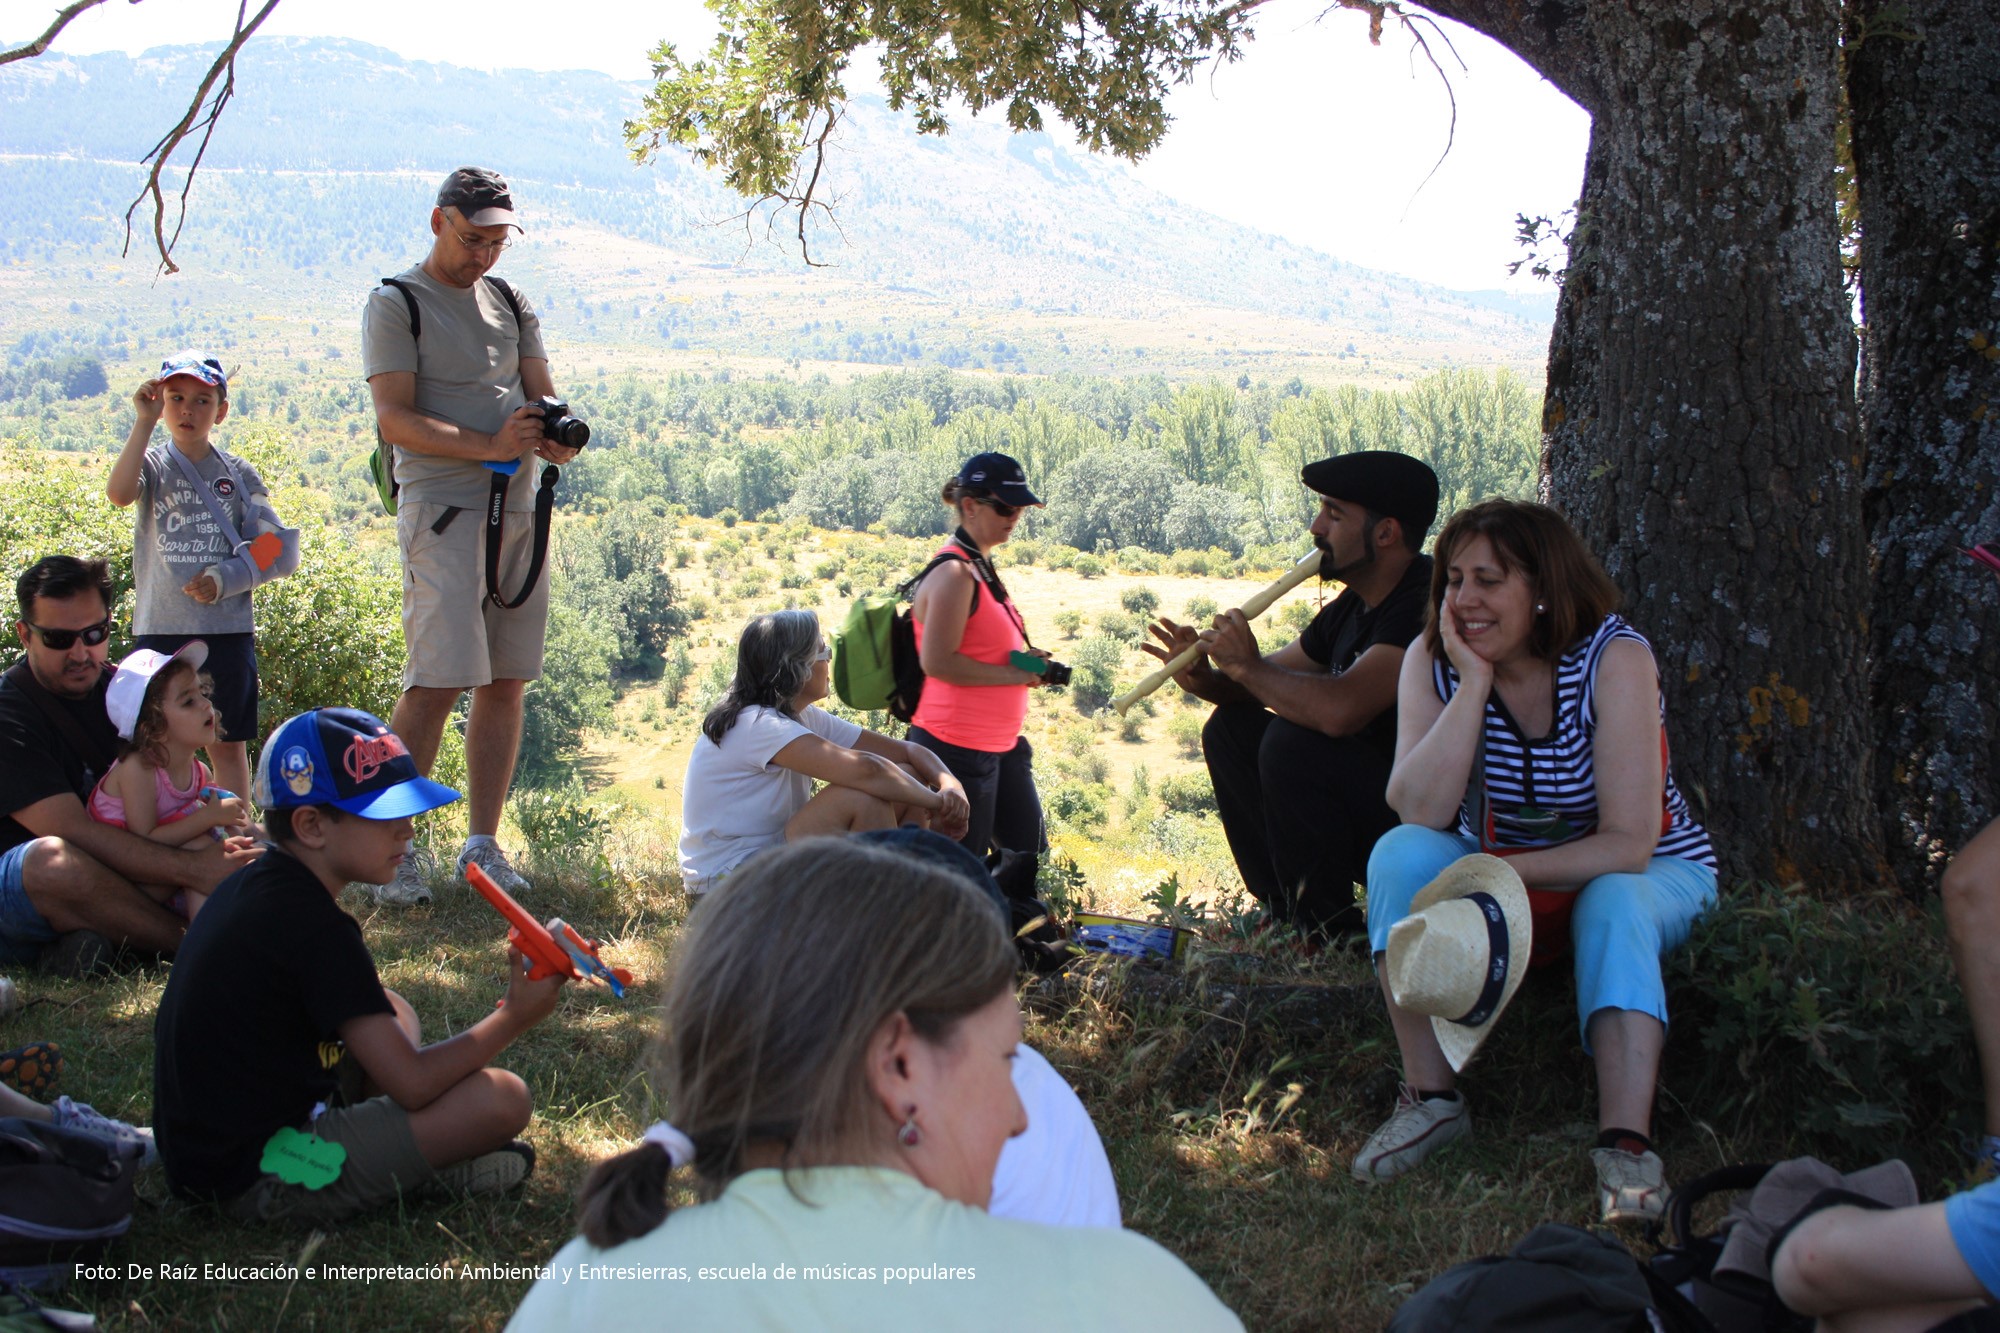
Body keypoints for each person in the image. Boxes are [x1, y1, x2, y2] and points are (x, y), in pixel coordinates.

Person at [508, 838, 1241, 1331]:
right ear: (899, 1065)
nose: (1021, 1116)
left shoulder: (587, 1287)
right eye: (1004, 1061)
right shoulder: (1124, 1296)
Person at [1353, 499, 1717, 1226]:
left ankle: (1627, 1147)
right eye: (1455, 580)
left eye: (1489, 581)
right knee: (1397, 856)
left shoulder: (1614, 659)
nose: (1465, 599)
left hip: (1646, 870)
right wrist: (1474, 685)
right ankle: (1431, 1100)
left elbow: (1629, 843)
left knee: (1614, 898)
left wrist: (1501, 876)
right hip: (1498, 865)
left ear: (1543, 589)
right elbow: (1416, 809)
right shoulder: (1434, 660)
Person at [153, 707, 562, 1223]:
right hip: (258, 1173)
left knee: (394, 1010)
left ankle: (400, 1152)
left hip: (203, 1153)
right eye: (386, 815)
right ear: (311, 825)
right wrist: (514, 1016)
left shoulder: (262, 888)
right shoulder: (315, 927)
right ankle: (416, 1172)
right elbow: (412, 1083)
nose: (407, 831)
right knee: (502, 1100)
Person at [363, 166, 581, 906]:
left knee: (506, 679)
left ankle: (481, 846)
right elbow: (395, 418)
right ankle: (391, 849)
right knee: (436, 679)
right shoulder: (397, 303)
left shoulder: (511, 301)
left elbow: (541, 391)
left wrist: (552, 435)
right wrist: (488, 445)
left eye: (496, 243)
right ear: (438, 222)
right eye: (472, 239)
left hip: (516, 511)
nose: (483, 255)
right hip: (444, 511)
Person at [1142, 450, 1437, 943]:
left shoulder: (1424, 603)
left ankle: (1324, 931)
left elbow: (1341, 710)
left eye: (1334, 515)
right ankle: (1284, 910)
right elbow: (1263, 682)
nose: (1316, 527)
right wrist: (1208, 679)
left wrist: (1247, 666)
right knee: (1231, 729)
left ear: (1385, 533)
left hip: (1416, 828)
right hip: (1357, 808)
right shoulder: (1353, 606)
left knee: (1290, 741)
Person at [0, 557, 258, 977]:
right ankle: (198, 945)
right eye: (59, 639)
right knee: (50, 862)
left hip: (122, 874)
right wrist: (196, 868)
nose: (80, 653)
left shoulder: (130, 694)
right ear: (25, 635)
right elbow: (74, 832)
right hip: (28, 884)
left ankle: (97, 941)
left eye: (94, 634)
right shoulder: (9, 714)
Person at [105, 351, 300, 801]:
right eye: (175, 398)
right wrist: (144, 423)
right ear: (160, 402)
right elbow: (119, 493)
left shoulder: (238, 473)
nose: (187, 411)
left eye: (201, 400)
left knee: (226, 745)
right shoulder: (152, 465)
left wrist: (227, 578)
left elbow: (276, 547)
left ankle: (234, 833)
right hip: (159, 630)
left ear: (221, 410)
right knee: (153, 743)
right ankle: (163, 828)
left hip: (225, 632)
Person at [678, 610, 970, 895]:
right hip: (725, 883)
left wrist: (951, 787)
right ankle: (886, 911)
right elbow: (868, 770)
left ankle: (910, 892)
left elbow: (907, 752)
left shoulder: (799, 716)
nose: (829, 657)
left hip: (770, 854)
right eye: (821, 651)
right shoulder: (755, 723)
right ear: (796, 666)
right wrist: (938, 803)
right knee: (862, 798)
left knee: (908, 776)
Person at [906, 452, 1052, 884]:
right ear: (970, 506)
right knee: (959, 880)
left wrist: (1028, 664)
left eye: (1021, 507)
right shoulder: (954, 573)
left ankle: (1018, 929)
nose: (1015, 517)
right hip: (956, 750)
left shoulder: (979, 566)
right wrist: (1016, 675)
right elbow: (937, 661)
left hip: (998, 748)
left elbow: (987, 650)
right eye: (1005, 507)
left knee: (1026, 865)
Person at [88, 644, 248, 921]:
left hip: (169, 875)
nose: (206, 704)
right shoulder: (137, 769)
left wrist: (233, 826)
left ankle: (227, 926)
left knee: (234, 847)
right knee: (200, 849)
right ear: (153, 727)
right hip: (122, 888)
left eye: (202, 693)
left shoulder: (200, 772)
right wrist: (209, 817)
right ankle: (206, 939)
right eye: (188, 701)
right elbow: (145, 842)